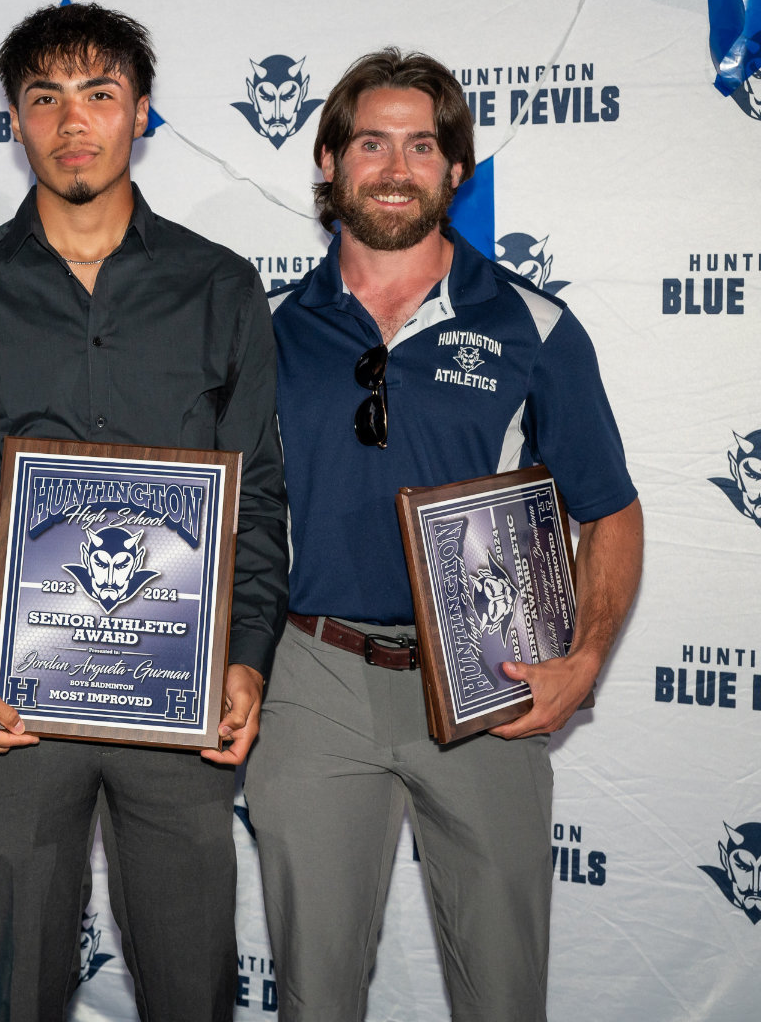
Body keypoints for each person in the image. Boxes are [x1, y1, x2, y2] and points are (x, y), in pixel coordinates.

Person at [0, 2, 289, 1020]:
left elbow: (257, 494)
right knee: (20, 981)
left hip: (183, 688)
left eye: (100, 95)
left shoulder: (221, 287)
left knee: (193, 977)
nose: (75, 123)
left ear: (141, 113)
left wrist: (246, 656)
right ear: (17, 122)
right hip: (13, 698)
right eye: (46, 100)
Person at [245, 49, 645, 1022]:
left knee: (504, 988)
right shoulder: (258, 330)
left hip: (489, 681)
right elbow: (220, 516)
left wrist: (584, 657)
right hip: (312, 680)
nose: (395, 165)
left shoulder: (533, 325)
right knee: (315, 990)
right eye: (370, 142)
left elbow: (611, 509)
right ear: (329, 165)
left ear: (456, 170)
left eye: (422, 145)